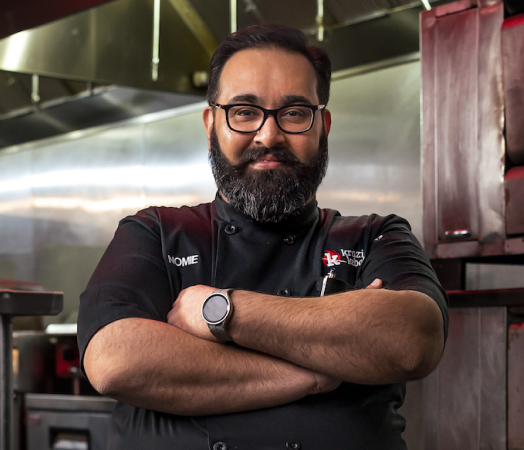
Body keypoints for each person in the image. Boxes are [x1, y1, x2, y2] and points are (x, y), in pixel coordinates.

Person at [78, 24, 448, 450]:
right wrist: (314, 371)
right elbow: (115, 361)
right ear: (212, 122)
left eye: (293, 113)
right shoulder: (155, 233)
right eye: (244, 111)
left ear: (322, 125)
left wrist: (222, 311)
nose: (269, 135)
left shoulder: (374, 235)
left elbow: (413, 339)